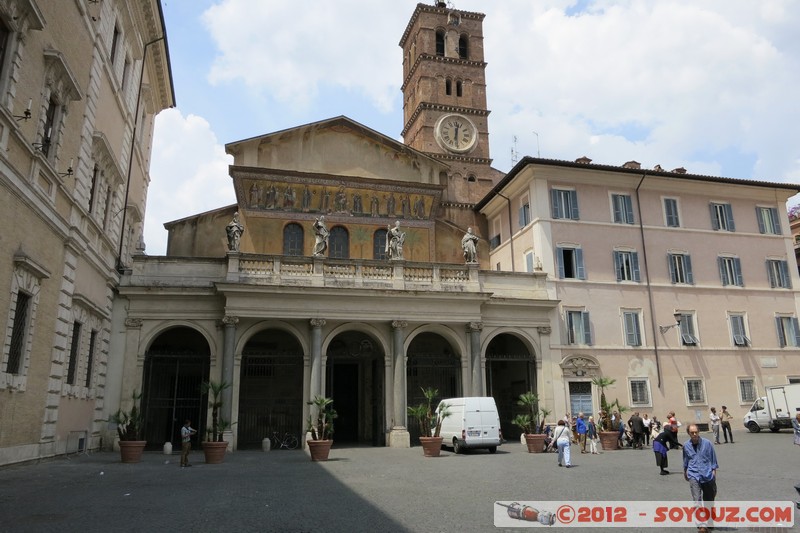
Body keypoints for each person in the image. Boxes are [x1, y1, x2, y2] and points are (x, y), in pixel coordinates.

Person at [683, 424, 719, 533]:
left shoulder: (707, 443)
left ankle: (710, 520)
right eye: (692, 433)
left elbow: (713, 459)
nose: (694, 434)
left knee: (709, 500)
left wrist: (713, 474)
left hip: (707, 475)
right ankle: (702, 525)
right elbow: (685, 459)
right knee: (697, 500)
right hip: (693, 475)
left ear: (699, 432)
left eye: (696, 432)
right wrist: (685, 471)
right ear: (688, 433)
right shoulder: (686, 445)